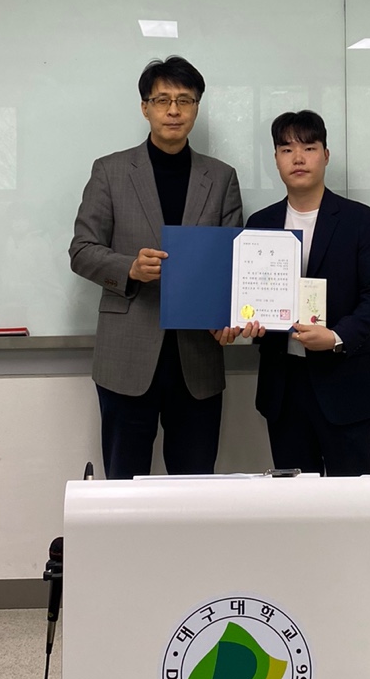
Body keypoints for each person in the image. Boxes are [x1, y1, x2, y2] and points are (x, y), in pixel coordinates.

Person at [70, 56, 243, 479]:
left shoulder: (221, 177)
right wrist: (129, 267)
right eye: (162, 99)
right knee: (123, 484)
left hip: (197, 356)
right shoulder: (110, 171)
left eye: (185, 100)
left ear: (196, 108)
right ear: (145, 107)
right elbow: (82, 250)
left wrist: (231, 315)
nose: (173, 110)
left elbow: (234, 262)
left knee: (195, 484)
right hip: (126, 356)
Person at [219, 109, 370, 476]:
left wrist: (336, 336)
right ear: (275, 159)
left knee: (351, 497)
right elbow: (249, 296)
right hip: (283, 386)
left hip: (346, 381)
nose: (298, 158)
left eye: (309, 148)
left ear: (326, 155)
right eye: (286, 150)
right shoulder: (260, 224)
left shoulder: (360, 220)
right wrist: (246, 322)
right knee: (294, 498)